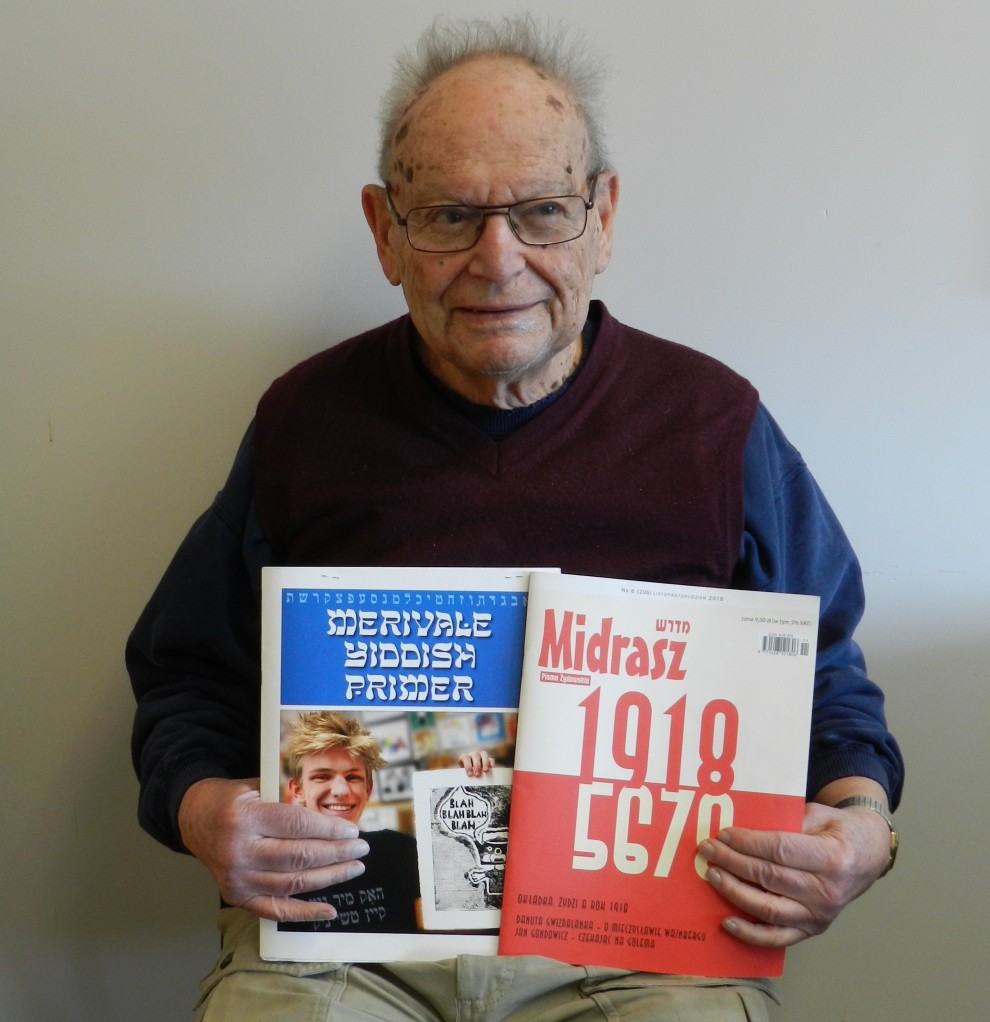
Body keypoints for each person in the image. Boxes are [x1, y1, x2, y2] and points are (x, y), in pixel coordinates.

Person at [127, 14, 903, 1022]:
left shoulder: (717, 425)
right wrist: (203, 811)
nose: (499, 261)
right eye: (450, 215)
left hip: (646, 955)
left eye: (542, 211)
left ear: (604, 217)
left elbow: (826, 679)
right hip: (348, 951)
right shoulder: (303, 422)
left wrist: (861, 827)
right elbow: (188, 677)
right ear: (385, 230)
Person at [279, 711, 421, 933]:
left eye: (353, 777)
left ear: (368, 789)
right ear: (298, 790)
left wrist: (474, 777)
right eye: (322, 776)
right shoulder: (276, 867)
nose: (341, 790)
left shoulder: (402, 851)